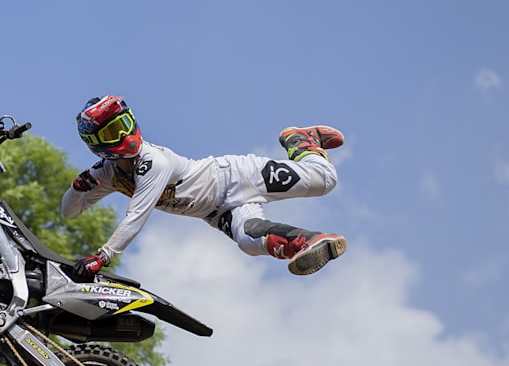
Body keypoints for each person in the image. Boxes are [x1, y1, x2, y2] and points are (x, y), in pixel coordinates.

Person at [62, 95, 347, 277]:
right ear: (97, 144)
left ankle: (301, 139)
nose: (125, 134)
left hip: (236, 176)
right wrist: (77, 188)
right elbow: (70, 212)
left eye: (124, 123)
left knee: (325, 180)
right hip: (219, 213)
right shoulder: (107, 172)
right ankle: (306, 241)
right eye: (113, 131)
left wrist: (102, 257)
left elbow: (136, 216)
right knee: (249, 242)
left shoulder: (153, 162)